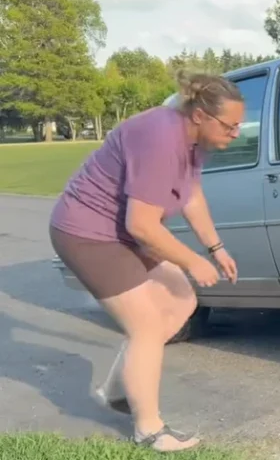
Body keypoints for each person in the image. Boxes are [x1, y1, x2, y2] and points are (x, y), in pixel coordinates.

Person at [48, 71, 244, 452]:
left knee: (181, 299)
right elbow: (141, 225)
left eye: (240, 125)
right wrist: (192, 260)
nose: (236, 133)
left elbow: (191, 197)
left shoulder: (194, 141)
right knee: (147, 326)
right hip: (86, 234)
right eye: (231, 126)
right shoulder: (160, 137)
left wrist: (216, 249)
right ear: (201, 115)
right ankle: (149, 430)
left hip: (121, 232)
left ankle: (120, 389)